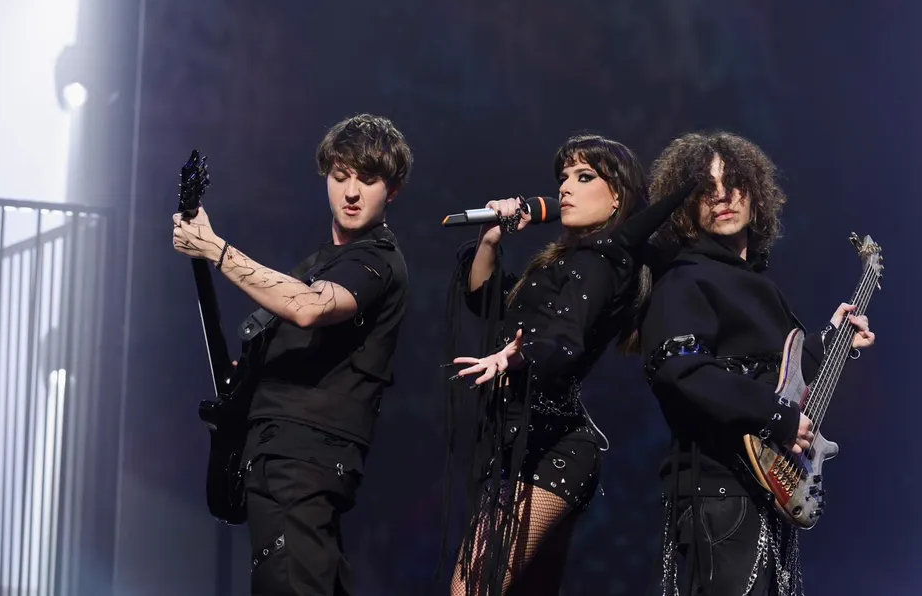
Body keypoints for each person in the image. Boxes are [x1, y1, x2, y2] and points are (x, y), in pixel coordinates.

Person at [172, 114, 413, 596]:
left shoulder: (376, 260)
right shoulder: (318, 264)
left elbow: (308, 307)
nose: (351, 192)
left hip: (303, 462)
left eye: (367, 180)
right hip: (283, 459)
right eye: (340, 176)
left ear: (392, 190)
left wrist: (216, 250)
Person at [444, 134, 694, 596]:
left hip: (551, 451)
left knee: (471, 589)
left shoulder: (601, 260)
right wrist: (491, 237)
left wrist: (519, 355)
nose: (564, 187)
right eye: (563, 178)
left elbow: (563, 341)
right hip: (523, 444)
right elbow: (487, 300)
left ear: (617, 195)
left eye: (583, 177)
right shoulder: (566, 261)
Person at [638, 131, 876, 596]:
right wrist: (778, 416)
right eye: (705, 188)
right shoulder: (684, 278)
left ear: (755, 194)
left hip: (766, 490)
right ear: (685, 206)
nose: (723, 196)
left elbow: (776, 376)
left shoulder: (757, 286)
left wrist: (831, 341)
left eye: (734, 183)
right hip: (720, 491)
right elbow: (680, 370)